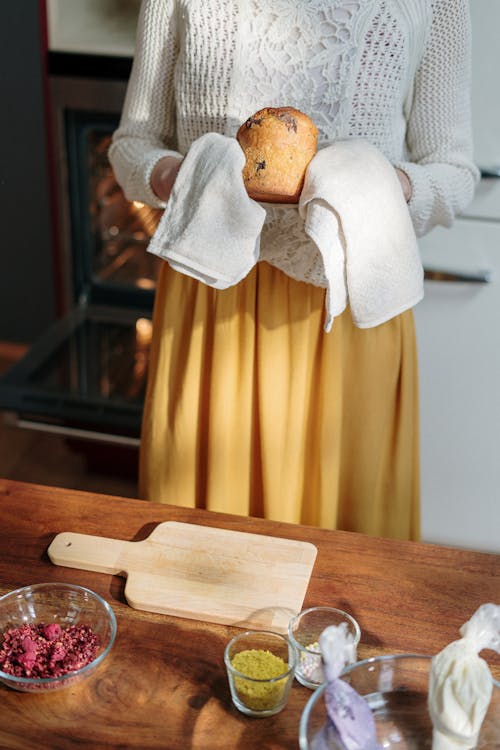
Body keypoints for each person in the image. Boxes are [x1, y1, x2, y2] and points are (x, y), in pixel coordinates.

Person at [109, 0, 478, 540]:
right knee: (197, 546)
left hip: (349, 305)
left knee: (345, 560)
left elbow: (454, 170)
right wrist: (182, 176)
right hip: (211, 299)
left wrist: (377, 183)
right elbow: (133, 144)